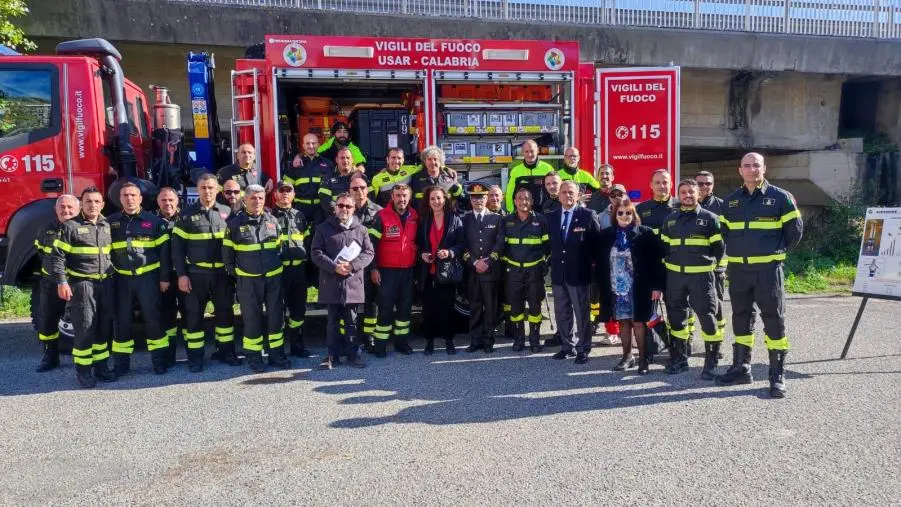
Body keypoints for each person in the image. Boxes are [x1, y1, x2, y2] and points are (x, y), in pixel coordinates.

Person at [716, 152, 803, 398]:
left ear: (764, 168)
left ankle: (777, 375)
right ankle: (742, 368)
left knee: (774, 321)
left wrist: (774, 253)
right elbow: (725, 233)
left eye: (756, 165)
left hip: (768, 271)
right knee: (741, 319)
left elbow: (794, 233)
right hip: (739, 271)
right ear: (739, 170)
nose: (752, 169)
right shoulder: (730, 202)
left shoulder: (780, 198)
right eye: (747, 165)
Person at [172, 173, 240, 372]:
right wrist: (182, 275)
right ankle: (195, 359)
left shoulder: (228, 212)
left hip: (222, 275)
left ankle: (226, 352)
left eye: (211, 187)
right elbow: (177, 249)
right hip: (196, 275)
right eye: (203, 188)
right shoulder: (185, 216)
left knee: (225, 314)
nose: (207, 191)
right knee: (193, 317)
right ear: (198, 190)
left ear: (217, 190)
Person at [50, 187, 117, 388]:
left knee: (104, 328)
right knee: (85, 328)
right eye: (88, 201)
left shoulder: (106, 225)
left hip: (105, 283)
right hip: (82, 285)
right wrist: (62, 282)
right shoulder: (70, 227)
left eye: (97, 202)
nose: (93, 205)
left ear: (102, 204)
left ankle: (102, 367)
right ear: (82, 204)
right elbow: (57, 258)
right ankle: (84, 371)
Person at [660, 179, 725, 377]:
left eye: (691, 192)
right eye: (683, 192)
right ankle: (680, 359)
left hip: (701, 278)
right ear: (678, 195)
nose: (687, 195)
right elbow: (664, 248)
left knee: (707, 318)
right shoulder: (670, 220)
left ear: (698, 194)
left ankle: (711, 363)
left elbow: (719, 250)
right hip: (675, 278)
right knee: (677, 319)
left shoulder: (710, 218)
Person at [223, 184, 290, 373]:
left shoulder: (272, 221)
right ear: (245, 200)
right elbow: (227, 256)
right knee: (252, 320)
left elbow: (280, 248)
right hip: (248, 281)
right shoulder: (234, 224)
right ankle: (254, 357)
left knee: (276, 317)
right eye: (253, 198)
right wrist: (239, 275)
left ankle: (276, 354)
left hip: (273, 279)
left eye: (260, 198)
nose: (257, 201)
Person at [595, 197, 666, 374]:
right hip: (617, 289)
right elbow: (600, 263)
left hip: (639, 288)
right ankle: (627, 357)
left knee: (639, 323)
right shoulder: (606, 235)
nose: (624, 216)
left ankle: (643, 360)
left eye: (628, 212)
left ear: (634, 214)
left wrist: (657, 286)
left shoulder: (645, 233)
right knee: (623, 323)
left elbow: (657, 262)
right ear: (615, 214)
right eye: (620, 213)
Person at [108, 182, 172, 376]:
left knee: (153, 320)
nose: (129, 199)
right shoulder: (110, 223)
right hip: (122, 280)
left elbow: (165, 254)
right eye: (125, 195)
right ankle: (121, 365)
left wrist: (164, 279)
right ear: (120, 199)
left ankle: (159, 362)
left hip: (148, 279)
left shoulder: (154, 222)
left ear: (140, 199)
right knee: (122, 322)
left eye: (133, 195)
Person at [311, 192, 374, 369]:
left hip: (353, 282)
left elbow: (369, 253)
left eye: (348, 206)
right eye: (341, 206)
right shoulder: (323, 228)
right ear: (335, 208)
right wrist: (334, 267)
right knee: (332, 322)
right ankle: (332, 356)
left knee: (352, 321)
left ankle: (353, 355)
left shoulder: (361, 230)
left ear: (354, 208)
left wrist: (352, 266)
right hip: (331, 281)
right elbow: (316, 252)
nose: (344, 209)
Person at [547, 181, 600, 364]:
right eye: (564, 192)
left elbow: (596, 247)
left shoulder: (587, 215)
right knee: (561, 312)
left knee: (581, 314)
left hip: (579, 274)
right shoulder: (552, 216)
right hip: (559, 274)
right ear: (558, 195)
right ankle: (566, 346)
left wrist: (594, 273)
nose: (567, 195)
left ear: (578, 195)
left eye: (571, 192)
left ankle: (583, 348)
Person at [368, 184, 419, 357]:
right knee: (385, 308)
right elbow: (371, 245)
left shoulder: (414, 215)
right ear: (392, 196)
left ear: (410, 197)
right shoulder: (381, 216)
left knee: (405, 308)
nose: (401, 199)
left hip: (408, 271)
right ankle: (380, 345)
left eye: (405, 195)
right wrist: (373, 268)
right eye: (398, 195)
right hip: (387, 271)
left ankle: (401, 343)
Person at [33, 194, 79, 373]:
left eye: (70, 207)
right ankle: (50, 356)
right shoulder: (46, 229)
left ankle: (83, 358)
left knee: (83, 321)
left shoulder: (83, 227)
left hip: (77, 283)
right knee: (48, 320)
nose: (66, 211)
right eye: (62, 207)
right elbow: (40, 253)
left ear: (78, 209)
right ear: (56, 209)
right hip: (52, 283)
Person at [417, 185, 465, 355]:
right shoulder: (423, 221)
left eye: (439, 198)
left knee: (447, 309)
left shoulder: (455, 219)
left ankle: (449, 342)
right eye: (432, 199)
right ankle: (429, 342)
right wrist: (423, 254)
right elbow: (419, 245)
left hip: (447, 272)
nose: (436, 201)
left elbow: (461, 244)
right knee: (428, 309)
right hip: (429, 272)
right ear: (428, 202)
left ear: (445, 200)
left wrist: (450, 252)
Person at [502, 187, 551, 353]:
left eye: (527, 198)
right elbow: (503, 246)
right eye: (520, 198)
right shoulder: (507, 221)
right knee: (515, 307)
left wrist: (545, 263)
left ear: (532, 202)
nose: (524, 201)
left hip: (534, 271)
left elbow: (547, 246)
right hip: (514, 271)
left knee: (535, 307)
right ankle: (519, 338)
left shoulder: (541, 220)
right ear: (515, 201)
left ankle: (534, 339)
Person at [271, 180, 313, 358]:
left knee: (298, 310)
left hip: (298, 271)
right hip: (279, 272)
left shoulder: (300, 216)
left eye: (289, 191)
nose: (285, 194)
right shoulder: (269, 217)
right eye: (282, 191)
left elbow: (308, 242)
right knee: (277, 311)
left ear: (294, 195)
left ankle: (297, 346)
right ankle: (277, 350)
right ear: (275, 195)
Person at [462, 183, 505, 353]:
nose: (477, 200)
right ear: (470, 200)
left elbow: (500, 244)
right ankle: (475, 340)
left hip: (490, 272)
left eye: (481, 197)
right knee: (475, 307)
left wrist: (488, 262)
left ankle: (488, 340)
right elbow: (462, 244)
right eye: (474, 197)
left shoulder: (496, 219)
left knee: (490, 309)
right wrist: (473, 262)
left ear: (486, 198)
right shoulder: (464, 219)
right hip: (472, 272)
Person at [350, 173, 383, 351]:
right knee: (350, 304)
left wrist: (375, 268)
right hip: (350, 266)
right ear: (349, 190)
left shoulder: (378, 211)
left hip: (370, 265)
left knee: (371, 303)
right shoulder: (344, 209)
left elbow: (379, 244)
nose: (359, 191)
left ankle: (369, 337)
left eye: (362, 187)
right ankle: (352, 338)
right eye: (355, 188)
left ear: (368, 189)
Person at [592, 183, 627, 346]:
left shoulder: (633, 213)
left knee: (627, 298)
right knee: (608, 299)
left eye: (620, 194)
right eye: (613, 195)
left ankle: (627, 331)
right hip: (608, 264)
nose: (617, 197)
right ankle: (611, 331)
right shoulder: (600, 216)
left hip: (627, 265)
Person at [697, 170, 727, 338]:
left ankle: (718, 337)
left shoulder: (722, 206)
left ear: (713, 185)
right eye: (700, 183)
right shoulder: (684, 205)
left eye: (708, 183)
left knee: (716, 301)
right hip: (692, 263)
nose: (704, 187)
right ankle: (688, 340)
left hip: (716, 264)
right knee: (690, 304)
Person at [155, 187, 182, 368]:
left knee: (190, 315)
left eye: (171, 200)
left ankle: (193, 356)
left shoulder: (186, 219)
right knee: (167, 317)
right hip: (163, 278)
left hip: (184, 275)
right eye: (164, 200)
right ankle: (169, 356)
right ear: (158, 202)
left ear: (177, 201)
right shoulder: (151, 222)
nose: (168, 203)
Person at [286, 132, 335, 225]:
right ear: (303, 145)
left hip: (321, 209)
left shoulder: (328, 164)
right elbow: (287, 187)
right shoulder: (295, 164)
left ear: (318, 145)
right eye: (308, 143)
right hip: (300, 209)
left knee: (319, 236)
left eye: (314, 143)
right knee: (299, 237)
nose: (311, 146)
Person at [505, 139, 554, 212]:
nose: (529, 154)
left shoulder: (548, 169)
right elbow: (510, 193)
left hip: (543, 214)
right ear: (522, 152)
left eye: (532, 151)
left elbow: (554, 192)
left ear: (537, 150)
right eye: (526, 151)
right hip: (523, 214)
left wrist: (551, 211)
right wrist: (511, 212)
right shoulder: (516, 171)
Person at [410, 145, 463, 210]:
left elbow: (458, 197)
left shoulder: (450, 176)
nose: (432, 162)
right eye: (429, 159)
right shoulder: (415, 178)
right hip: (423, 218)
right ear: (424, 161)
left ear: (440, 161)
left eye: (435, 159)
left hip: (445, 217)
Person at [320, 147, 363, 219]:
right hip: (335, 218)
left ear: (352, 160)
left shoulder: (361, 177)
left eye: (348, 158)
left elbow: (369, 197)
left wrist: (352, 212)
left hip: (357, 218)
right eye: (342, 158)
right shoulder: (327, 178)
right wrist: (341, 212)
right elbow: (325, 199)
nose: (345, 160)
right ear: (336, 160)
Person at [635, 169, 675, 235]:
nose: (661, 186)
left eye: (665, 182)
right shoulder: (640, 209)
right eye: (657, 182)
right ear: (651, 185)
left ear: (671, 185)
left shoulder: (681, 206)